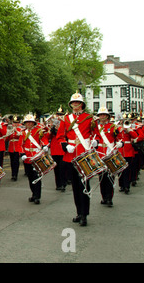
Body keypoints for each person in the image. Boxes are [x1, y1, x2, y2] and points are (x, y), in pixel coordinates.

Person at [56, 91, 98, 226]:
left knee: (84, 185)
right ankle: (79, 212)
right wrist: (66, 145)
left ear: (82, 104)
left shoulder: (89, 118)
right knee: (75, 186)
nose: (75, 104)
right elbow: (60, 136)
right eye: (73, 102)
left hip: (84, 154)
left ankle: (85, 214)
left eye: (78, 102)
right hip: (71, 154)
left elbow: (95, 134)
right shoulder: (66, 119)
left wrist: (94, 142)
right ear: (71, 105)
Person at [19, 113, 49, 204]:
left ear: (33, 123)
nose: (28, 124)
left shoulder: (38, 131)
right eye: (27, 122)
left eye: (30, 122)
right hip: (27, 157)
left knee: (37, 177)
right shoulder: (23, 133)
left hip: (37, 156)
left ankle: (37, 196)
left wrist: (45, 145)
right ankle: (33, 194)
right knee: (30, 177)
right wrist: (22, 154)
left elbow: (43, 139)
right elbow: (20, 144)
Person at [93, 107, 119, 207]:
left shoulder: (112, 126)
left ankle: (109, 197)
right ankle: (104, 197)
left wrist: (120, 143)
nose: (102, 117)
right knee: (102, 177)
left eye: (104, 115)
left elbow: (118, 138)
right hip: (99, 154)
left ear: (107, 116)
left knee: (110, 177)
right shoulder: (95, 127)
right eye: (100, 115)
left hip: (109, 153)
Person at [116, 114, 139, 194]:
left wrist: (129, 130)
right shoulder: (118, 129)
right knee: (120, 170)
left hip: (128, 152)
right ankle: (121, 185)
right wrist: (121, 129)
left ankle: (126, 186)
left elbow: (135, 136)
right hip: (120, 151)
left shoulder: (130, 129)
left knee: (127, 170)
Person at [46, 108, 67, 191]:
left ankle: (63, 184)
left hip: (62, 149)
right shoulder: (53, 124)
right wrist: (51, 130)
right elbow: (47, 137)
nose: (59, 116)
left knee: (63, 168)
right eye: (58, 114)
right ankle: (58, 184)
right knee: (56, 168)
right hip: (54, 149)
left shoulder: (65, 124)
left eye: (61, 115)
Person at [6, 115, 23, 181]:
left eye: (16, 123)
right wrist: (9, 133)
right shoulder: (10, 129)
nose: (15, 124)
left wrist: (16, 131)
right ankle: (12, 174)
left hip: (17, 147)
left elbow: (21, 137)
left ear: (18, 123)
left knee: (16, 161)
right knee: (12, 161)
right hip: (11, 147)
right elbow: (7, 139)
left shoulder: (20, 129)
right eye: (14, 123)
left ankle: (15, 175)